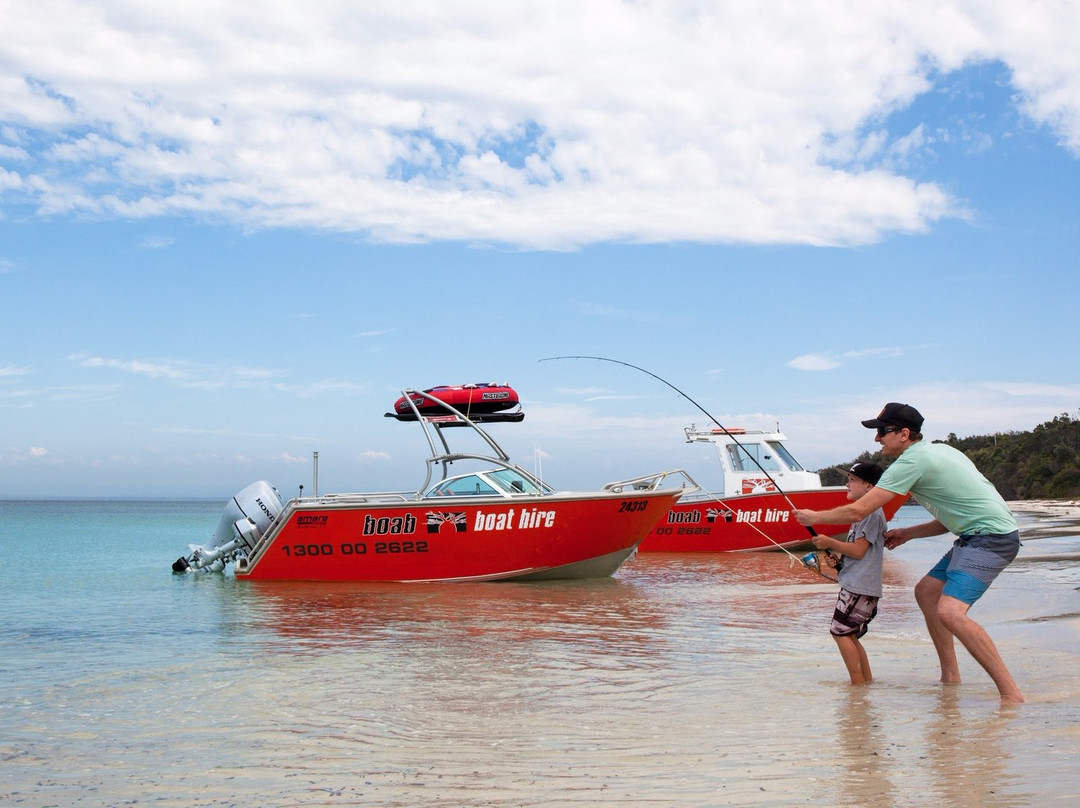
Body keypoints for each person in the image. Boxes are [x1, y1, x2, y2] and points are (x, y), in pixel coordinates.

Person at [794, 402, 1025, 703]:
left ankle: (1011, 694)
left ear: (904, 434)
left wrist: (814, 517)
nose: (877, 439)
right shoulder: (942, 451)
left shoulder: (911, 462)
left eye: (882, 432)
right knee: (927, 592)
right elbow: (952, 517)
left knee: (950, 612)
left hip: (992, 538)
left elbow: (861, 509)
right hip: (975, 535)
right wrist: (909, 532)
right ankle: (951, 677)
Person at [813, 461, 887, 686]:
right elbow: (858, 554)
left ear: (869, 487)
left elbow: (859, 549)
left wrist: (829, 541)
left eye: (852, 480)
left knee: (840, 632)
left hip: (860, 586)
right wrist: (838, 563)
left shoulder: (872, 513)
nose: (847, 484)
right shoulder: (863, 515)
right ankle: (864, 683)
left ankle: (857, 685)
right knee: (849, 634)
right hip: (856, 583)